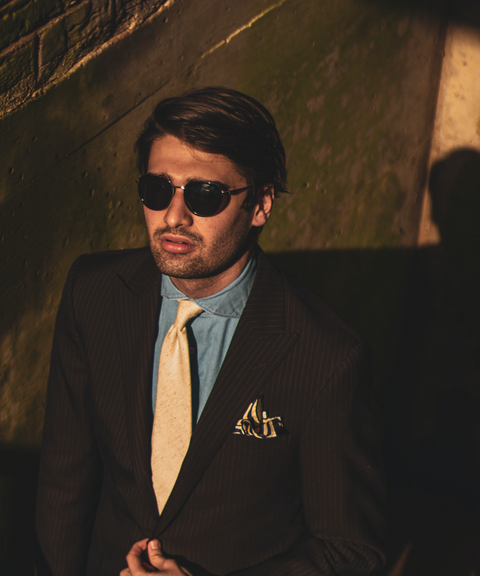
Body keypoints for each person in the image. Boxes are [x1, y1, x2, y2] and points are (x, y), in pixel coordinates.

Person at [36, 87, 386, 576]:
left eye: (205, 195)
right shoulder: (92, 291)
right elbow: (64, 480)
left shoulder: (326, 356)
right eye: (157, 190)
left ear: (260, 204)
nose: (174, 217)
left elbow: (350, 551)